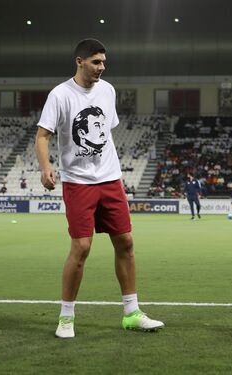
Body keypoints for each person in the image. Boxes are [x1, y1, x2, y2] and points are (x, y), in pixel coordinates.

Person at [35, 38, 164, 339]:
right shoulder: (60, 94)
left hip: (110, 179)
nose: (102, 68)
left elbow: (106, 132)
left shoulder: (108, 90)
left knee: (126, 243)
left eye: (104, 62)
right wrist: (46, 167)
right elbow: (42, 136)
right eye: (96, 62)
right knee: (81, 247)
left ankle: (131, 313)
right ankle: (66, 318)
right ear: (79, 61)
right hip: (79, 183)